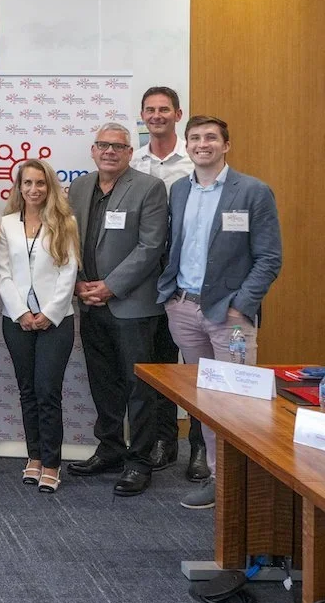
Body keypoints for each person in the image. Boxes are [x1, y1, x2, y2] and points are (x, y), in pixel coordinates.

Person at [157, 116, 282, 510]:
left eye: (210, 137)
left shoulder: (252, 192)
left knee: (240, 403)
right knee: (209, 400)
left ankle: (246, 486)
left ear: (226, 145)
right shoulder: (178, 189)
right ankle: (219, 478)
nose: (202, 143)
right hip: (184, 308)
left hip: (230, 317)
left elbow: (269, 258)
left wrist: (241, 305)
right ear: (188, 145)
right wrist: (171, 298)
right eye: (195, 138)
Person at [66, 123, 169, 497]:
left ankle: (139, 462)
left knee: (139, 388)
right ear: (93, 151)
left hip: (132, 306)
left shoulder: (149, 187)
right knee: (103, 383)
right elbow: (67, 241)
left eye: (118, 147)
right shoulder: (78, 188)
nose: (110, 151)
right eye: (103, 145)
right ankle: (109, 448)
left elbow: (150, 246)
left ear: (130, 153)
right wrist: (77, 282)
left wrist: (110, 287)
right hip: (90, 304)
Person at [130, 86, 204, 480]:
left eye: (164, 110)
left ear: (178, 114)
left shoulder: (193, 163)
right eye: (149, 110)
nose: (156, 116)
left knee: (195, 368)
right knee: (158, 363)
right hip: (145, 280)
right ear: (142, 115)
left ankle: (200, 446)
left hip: (186, 278)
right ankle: (163, 441)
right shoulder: (133, 161)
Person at [0, 160, 79, 494]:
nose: (33, 189)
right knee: (27, 391)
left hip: (55, 321)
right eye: (27, 183)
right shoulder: (5, 225)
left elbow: (69, 271)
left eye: (40, 183)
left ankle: (52, 462)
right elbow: (2, 273)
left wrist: (49, 312)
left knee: (48, 392)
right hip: (17, 321)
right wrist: (20, 312)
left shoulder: (64, 221)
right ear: (18, 187)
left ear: (49, 187)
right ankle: (34, 456)